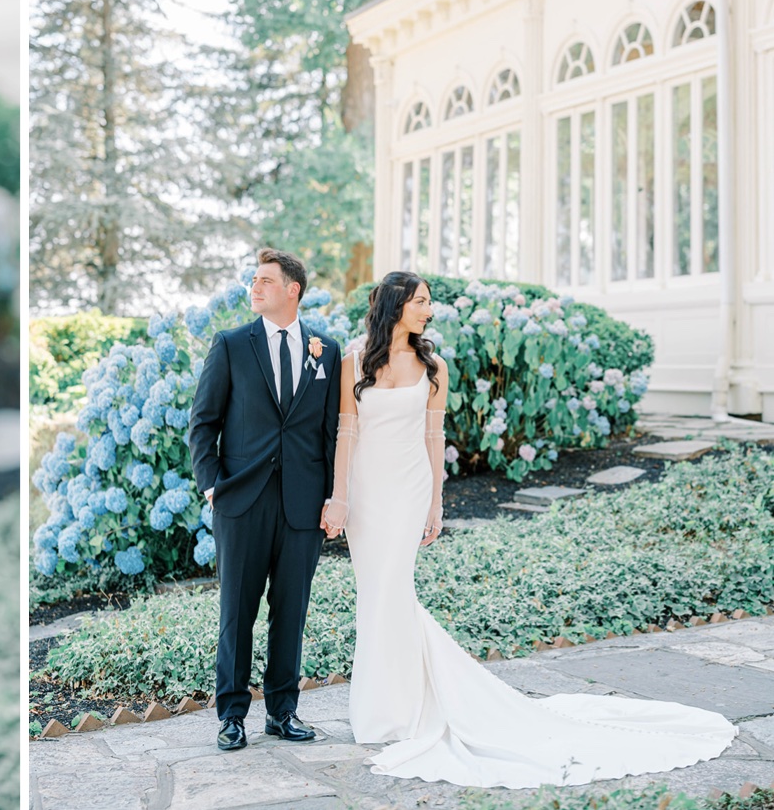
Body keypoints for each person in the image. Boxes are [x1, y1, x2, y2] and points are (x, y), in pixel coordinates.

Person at [323, 270, 737, 787]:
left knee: (393, 589)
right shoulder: (354, 362)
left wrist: (437, 501)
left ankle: (397, 711)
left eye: (429, 302)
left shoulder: (435, 366)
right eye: (421, 301)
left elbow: (435, 438)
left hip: (407, 490)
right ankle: (386, 706)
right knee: (376, 595)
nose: (429, 310)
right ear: (395, 306)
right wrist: (339, 496)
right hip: (365, 493)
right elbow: (347, 431)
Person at [187, 248, 340, 751]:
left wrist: (332, 496)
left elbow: (328, 433)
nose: (254, 287)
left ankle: (283, 711)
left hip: (302, 504)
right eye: (253, 280)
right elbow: (203, 423)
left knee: (290, 610)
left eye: (265, 281)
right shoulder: (231, 345)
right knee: (237, 611)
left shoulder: (326, 351)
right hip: (242, 502)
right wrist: (212, 485)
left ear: (292, 290)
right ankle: (231, 716)